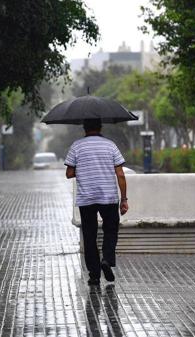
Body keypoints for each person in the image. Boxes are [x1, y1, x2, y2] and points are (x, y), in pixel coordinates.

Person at [64, 118, 128, 285]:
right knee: (110, 230)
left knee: (90, 235)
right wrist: (124, 199)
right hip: (109, 198)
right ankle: (106, 259)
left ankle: (94, 275)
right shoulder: (110, 145)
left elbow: (69, 173)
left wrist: (84, 169)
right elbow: (120, 174)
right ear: (100, 127)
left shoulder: (76, 146)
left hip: (87, 198)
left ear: (84, 128)